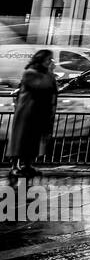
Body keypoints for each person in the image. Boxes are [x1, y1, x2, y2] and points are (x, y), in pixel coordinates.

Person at [6, 50, 57, 181]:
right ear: (41, 60)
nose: (51, 62)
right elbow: (42, 86)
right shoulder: (31, 73)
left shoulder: (46, 74)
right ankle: (14, 166)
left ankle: (27, 165)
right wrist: (50, 74)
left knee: (33, 140)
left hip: (39, 111)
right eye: (49, 59)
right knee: (21, 139)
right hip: (27, 111)